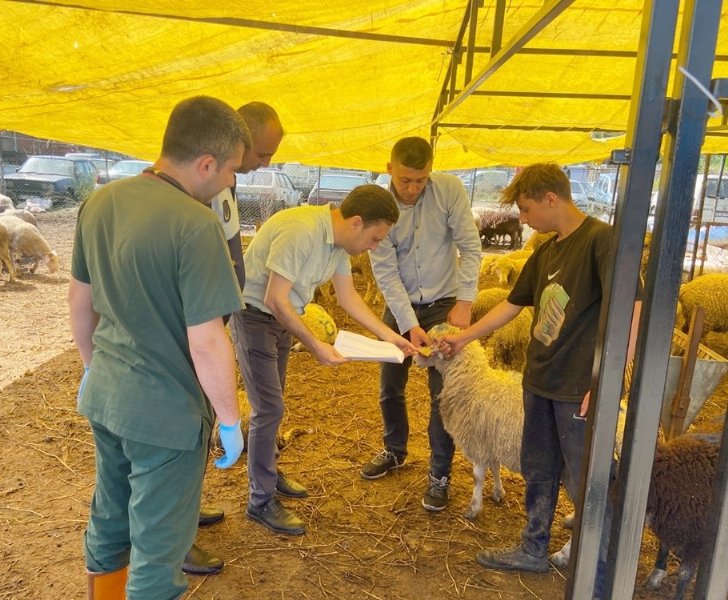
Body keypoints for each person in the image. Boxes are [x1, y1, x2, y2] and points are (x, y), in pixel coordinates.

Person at [69, 96, 251, 600]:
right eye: (233, 169)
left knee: (110, 514)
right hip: (165, 415)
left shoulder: (100, 202)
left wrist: (92, 367)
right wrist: (230, 418)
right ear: (207, 163)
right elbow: (208, 340)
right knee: (158, 547)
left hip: (106, 398)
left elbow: (80, 301)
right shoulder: (196, 224)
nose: (232, 181)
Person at [436, 163, 640, 581]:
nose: (523, 220)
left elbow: (632, 307)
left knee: (586, 474)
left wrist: (611, 379)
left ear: (552, 198)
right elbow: (511, 305)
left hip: (578, 386)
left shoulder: (603, 241)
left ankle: (600, 562)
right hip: (540, 381)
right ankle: (533, 547)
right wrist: (463, 338)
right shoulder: (544, 251)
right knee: (539, 467)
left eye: (526, 210)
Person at [232, 184, 418, 535]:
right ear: (357, 223)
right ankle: (260, 500)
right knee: (268, 408)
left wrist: (392, 336)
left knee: (275, 403)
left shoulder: (338, 244)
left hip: (283, 319)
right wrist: (315, 344)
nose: (374, 247)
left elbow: (349, 298)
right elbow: (274, 299)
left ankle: (267, 471)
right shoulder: (301, 231)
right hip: (255, 316)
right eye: (375, 238)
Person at [360, 136, 482, 513]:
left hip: (445, 306)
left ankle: (439, 473)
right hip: (400, 308)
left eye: (421, 180)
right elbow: (386, 271)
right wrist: (408, 324)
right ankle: (395, 450)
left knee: (440, 394)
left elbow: (471, 246)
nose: (412, 189)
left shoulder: (449, 191)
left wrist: (464, 303)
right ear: (389, 170)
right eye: (405, 180)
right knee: (389, 385)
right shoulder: (379, 206)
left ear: (431, 172)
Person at [187, 102, 285, 574]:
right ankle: (175, 537)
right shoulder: (192, 194)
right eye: (260, 154)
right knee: (185, 430)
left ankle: (184, 511)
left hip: (216, 319)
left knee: (198, 425)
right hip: (196, 330)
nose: (262, 163)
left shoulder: (224, 185)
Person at [210, 102, 284, 291]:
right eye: (262, 154)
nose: (267, 164)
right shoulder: (206, 185)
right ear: (239, 141)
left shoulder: (228, 181)